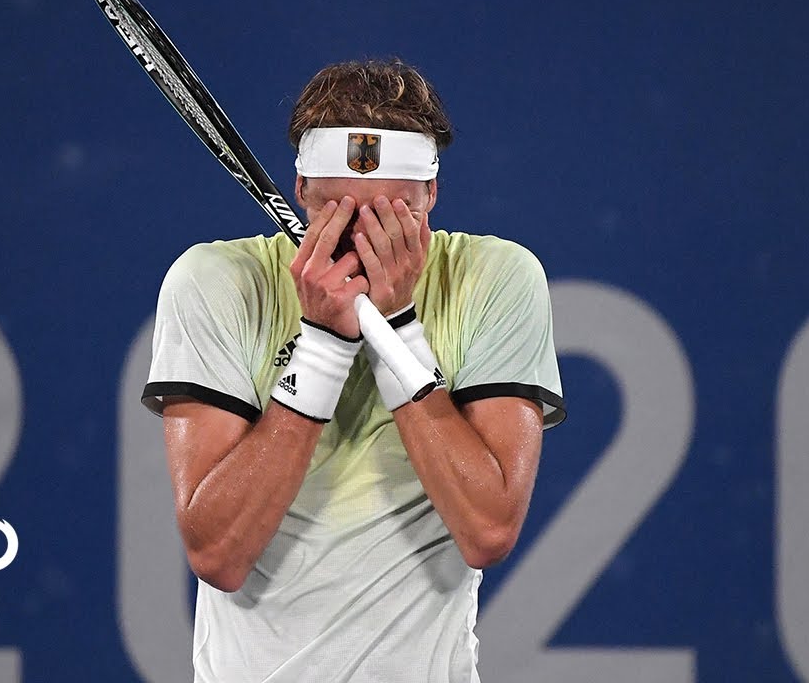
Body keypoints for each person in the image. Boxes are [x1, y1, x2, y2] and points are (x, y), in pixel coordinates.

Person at [142, 59, 565, 683]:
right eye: (339, 215)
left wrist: (397, 326)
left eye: (393, 216)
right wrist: (321, 346)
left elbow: (488, 530)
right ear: (299, 191)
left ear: (432, 195)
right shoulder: (215, 282)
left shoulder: (495, 278)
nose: (366, 242)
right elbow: (218, 554)